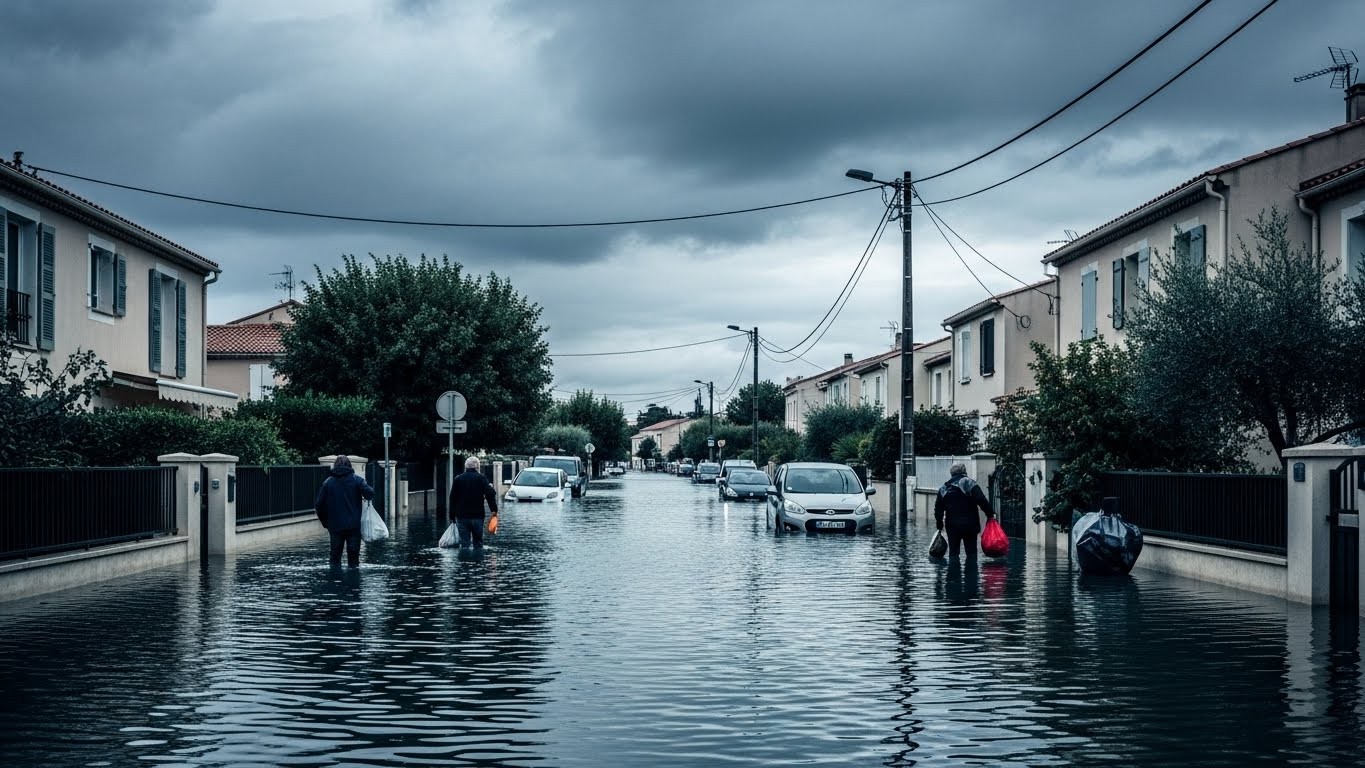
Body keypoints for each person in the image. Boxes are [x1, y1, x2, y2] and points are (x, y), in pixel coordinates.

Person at [314, 455, 376, 568]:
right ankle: (353, 584)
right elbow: (370, 494)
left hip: (335, 527)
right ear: (350, 466)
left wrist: (325, 523)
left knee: (335, 558)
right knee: (353, 560)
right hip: (353, 527)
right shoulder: (357, 480)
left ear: (335, 466)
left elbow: (319, 505)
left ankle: (334, 583)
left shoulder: (328, 483)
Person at [934, 462, 996, 563]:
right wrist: (990, 515)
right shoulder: (969, 483)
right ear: (964, 472)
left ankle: (953, 576)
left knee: (953, 553)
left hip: (952, 526)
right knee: (971, 553)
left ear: (951, 474)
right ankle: (971, 576)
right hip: (970, 525)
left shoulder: (944, 488)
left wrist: (939, 525)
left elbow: (938, 510)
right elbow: (981, 500)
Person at [449, 456, 498, 548]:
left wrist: (452, 515)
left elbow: (452, 498)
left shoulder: (458, 479)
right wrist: (494, 510)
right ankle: (477, 561)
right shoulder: (481, 478)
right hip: (477, 516)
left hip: (462, 516)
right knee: (478, 543)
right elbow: (490, 494)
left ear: (466, 467)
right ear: (477, 467)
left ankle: (464, 561)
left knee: (464, 544)